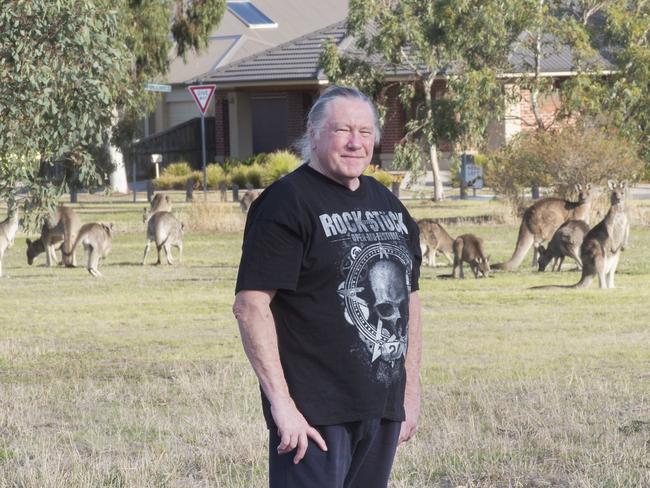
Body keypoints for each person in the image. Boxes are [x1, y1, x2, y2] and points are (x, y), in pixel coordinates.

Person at [232, 86, 422, 488]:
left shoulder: (390, 207)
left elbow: (411, 302)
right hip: (314, 416)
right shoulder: (286, 203)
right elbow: (251, 307)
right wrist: (282, 405)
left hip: (381, 408)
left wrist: (410, 391)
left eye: (366, 132)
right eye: (342, 130)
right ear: (314, 134)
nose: (356, 142)